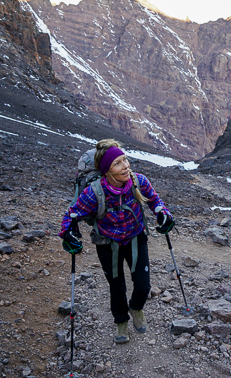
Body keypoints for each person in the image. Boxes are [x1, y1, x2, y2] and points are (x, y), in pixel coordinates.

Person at [60, 139, 175, 344]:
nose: (126, 166)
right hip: (107, 244)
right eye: (118, 163)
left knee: (143, 286)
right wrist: (67, 234)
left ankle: (136, 307)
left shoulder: (138, 181)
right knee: (117, 286)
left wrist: (162, 214)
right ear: (107, 170)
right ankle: (121, 321)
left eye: (125, 160)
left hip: (136, 238)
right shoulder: (93, 192)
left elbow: (155, 200)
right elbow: (72, 214)